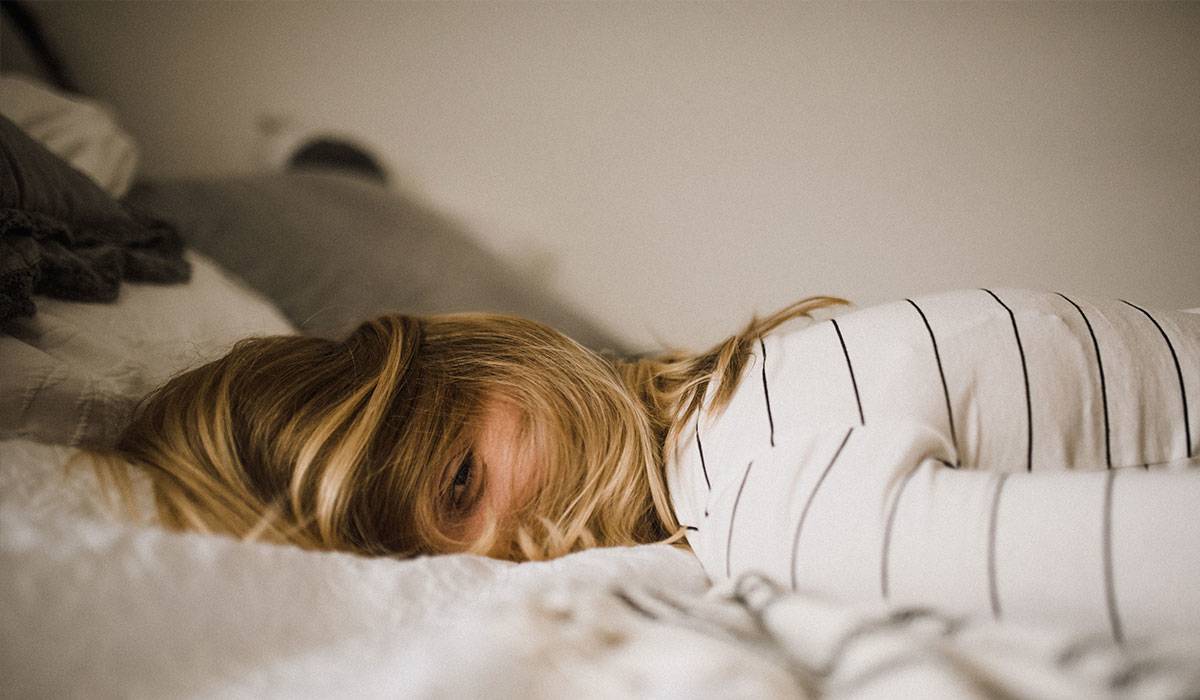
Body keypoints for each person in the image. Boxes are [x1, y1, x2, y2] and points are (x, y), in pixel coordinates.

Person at [95, 290, 1199, 635]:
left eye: (462, 484)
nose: (509, 559)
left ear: (492, 353)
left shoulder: (759, 471)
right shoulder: (761, 487)